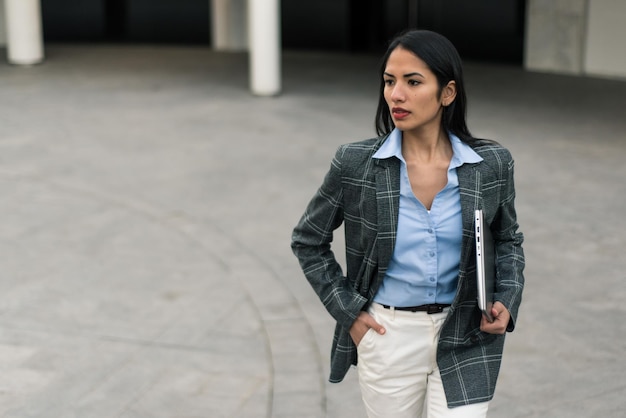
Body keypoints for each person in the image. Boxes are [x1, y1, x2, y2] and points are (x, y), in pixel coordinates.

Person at [291, 29, 525, 417]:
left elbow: (508, 239)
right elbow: (308, 240)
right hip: (388, 337)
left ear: (447, 93)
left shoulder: (491, 165)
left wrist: (507, 300)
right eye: (389, 81)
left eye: (413, 82)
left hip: (467, 332)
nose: (395, 94)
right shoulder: (356, 164)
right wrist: (349, 312)